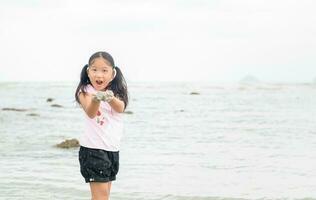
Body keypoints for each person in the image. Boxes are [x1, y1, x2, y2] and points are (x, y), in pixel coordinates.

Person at [75, 51, 128, 200]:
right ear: (88, 71)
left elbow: (120, 108)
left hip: (112, 150)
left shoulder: (116, 91)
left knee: (104, 196)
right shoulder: (85, 91)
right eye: (95, 70)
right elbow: (91, 113)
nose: (99, 75)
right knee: (101, 197)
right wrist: (97, 99)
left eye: (104, 70)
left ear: (113, 73)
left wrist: (109, 98)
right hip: (93, 150)